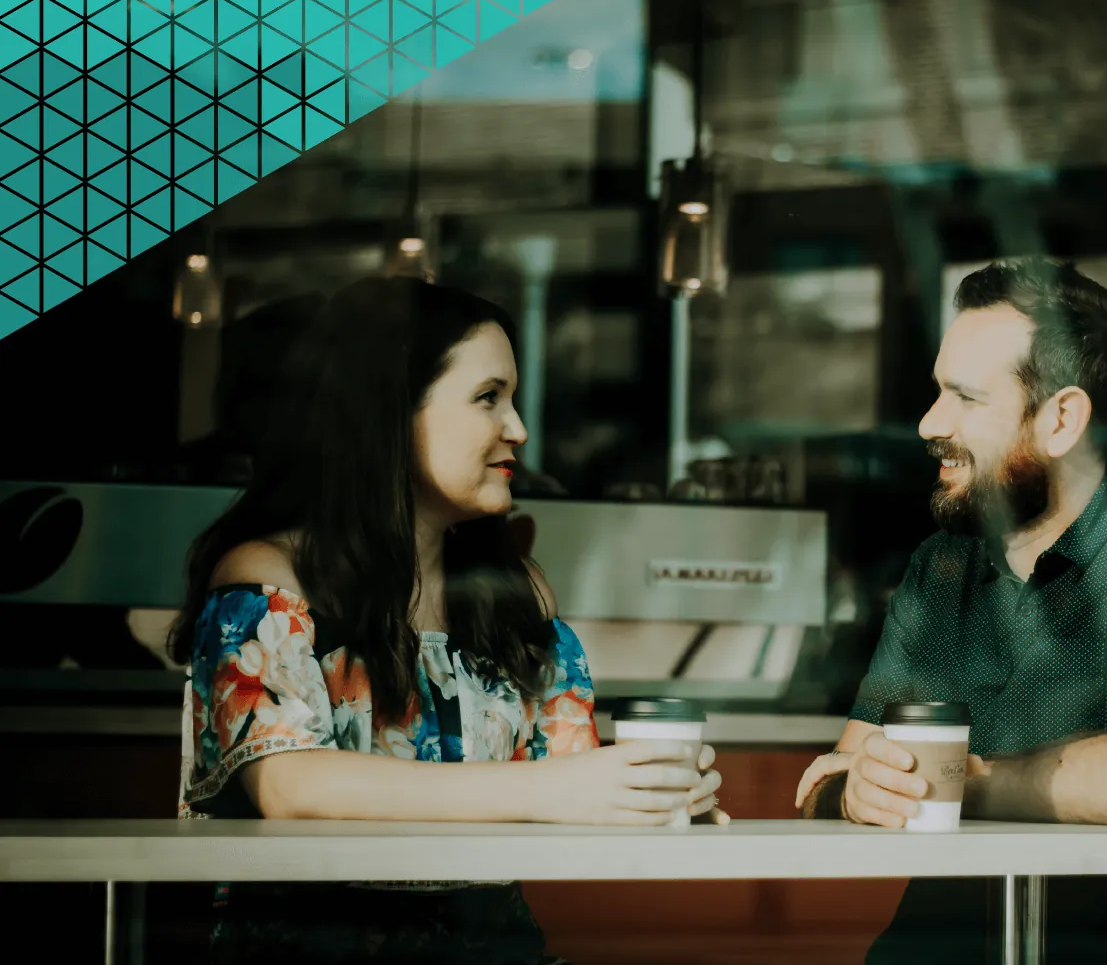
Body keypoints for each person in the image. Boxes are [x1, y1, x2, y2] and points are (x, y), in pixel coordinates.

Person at [168, 276, 728, 964]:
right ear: (387, 413)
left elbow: (567, 778)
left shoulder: (513, 594)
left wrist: (654, 790)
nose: (518, 429)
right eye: (488, 398)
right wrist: (558, 789)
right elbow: (290, 786)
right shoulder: (268, 579)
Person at [794, 257, 1107, 963]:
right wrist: (854, 795)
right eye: (936, 391)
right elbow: (836, 776)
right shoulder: (939, 566)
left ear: (1062, 419)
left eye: (965, 398)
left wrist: (960, 784)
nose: (928, 423)